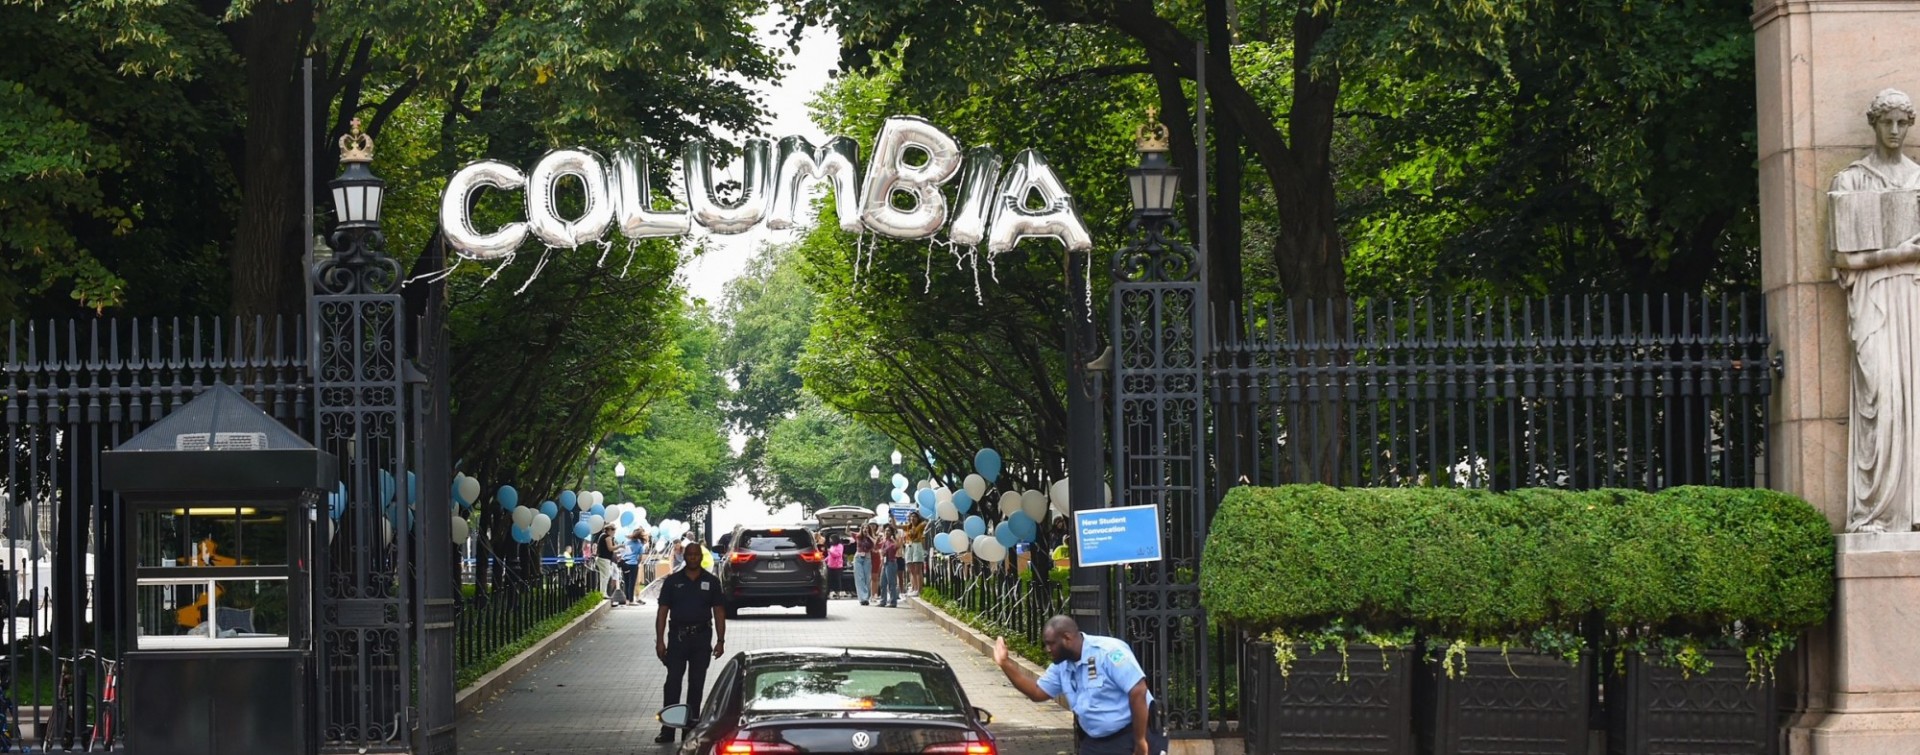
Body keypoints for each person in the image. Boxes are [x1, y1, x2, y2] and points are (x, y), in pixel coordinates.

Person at [1831, 87, 1920, 533]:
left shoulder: (1919, 181)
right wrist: (1896, 253)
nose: (1895, 130)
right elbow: (1843, 259)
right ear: (1874, 124)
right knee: (1880, 393)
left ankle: (1913, 511)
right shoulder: (1851, 180)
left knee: (1915, 398)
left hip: (1913, 297)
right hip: (1874, 295)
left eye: (1903, 122)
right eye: (1887, 121)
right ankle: (1875, 511)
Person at [994, 616, 1167, 755]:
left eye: (1050, 643)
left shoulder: (1108, 652)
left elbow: (1138, 690)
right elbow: (1037, 692)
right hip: (1095, 741)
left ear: (1067, 638)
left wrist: (1140, 740)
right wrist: (1005, 663)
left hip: (1130, 735)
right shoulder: (1061, 665)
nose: (1047, 649)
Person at [654, 542, 726, 743]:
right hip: (677, 638)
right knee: (673, 684)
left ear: (700, 557)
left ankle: (690, 730)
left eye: (696, 555)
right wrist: (660, 640)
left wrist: (720, 640)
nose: (693, 558)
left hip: (701, 639)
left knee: (696, 685)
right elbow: (662, 611)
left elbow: (719, 611)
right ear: (685, 557)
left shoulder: (711, 581)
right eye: (690, 555)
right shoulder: (673, 581)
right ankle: (668, 729)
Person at [594, 524, 624, 605]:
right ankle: (603, 593)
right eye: (613, 529)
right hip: (604, 559)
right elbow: (610, 548)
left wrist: (619, 551)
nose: (614, 531)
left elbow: (610, 550)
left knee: (604, 576)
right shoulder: (607, 537)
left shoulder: (603, 536)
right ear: (609, 530)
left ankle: (602, 592)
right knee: (606, 576)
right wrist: (620, 546)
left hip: (602, 558)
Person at [876, 526, 902, 608]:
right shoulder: (884, 542)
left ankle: (893, 601)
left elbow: (898, 546)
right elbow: (876, 546)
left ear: (891, 533)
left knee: (891, 583)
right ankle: (883, 601)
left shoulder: (892, 542)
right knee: (883, 583)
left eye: (888, 531)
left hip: (891, 563)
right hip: (884, 563)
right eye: (886, 531)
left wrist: (893, 539)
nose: (886, 532)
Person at [620, 528, 647, 604]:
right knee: (632, 583)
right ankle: (631, 601)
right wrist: (637, 563)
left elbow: (622, 552)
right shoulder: (639, 544)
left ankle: (627, 599)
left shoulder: (626, 542)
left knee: (626, 582)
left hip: (624, 563)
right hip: (633, 564)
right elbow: (640, 557)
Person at [903, 513, 927, 596]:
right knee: (911, 570)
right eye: (911, 517)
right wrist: (891, 516)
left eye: (915, 517)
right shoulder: (907, 527)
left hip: (917, 545)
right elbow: (896, 526)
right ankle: (914, 588)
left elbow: (926, 523)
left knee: (917, 570)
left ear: (917, 518)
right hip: (909, 546)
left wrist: (919, 527)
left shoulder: (920, 526)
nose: (913, 518)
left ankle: (919, 590)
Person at [852, 525, 875, 606]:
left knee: (867, 578)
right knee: (859, 578)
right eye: (864, 528)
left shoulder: (871, 538)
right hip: (858, 558)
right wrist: (848, 525)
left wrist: (868, 536)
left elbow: (875, 543)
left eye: (867, 528)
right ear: (861, 529)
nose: (865, 529)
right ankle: (863, 599)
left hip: (867, 558)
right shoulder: (858, 536)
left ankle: (866, 597)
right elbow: (847, 532)